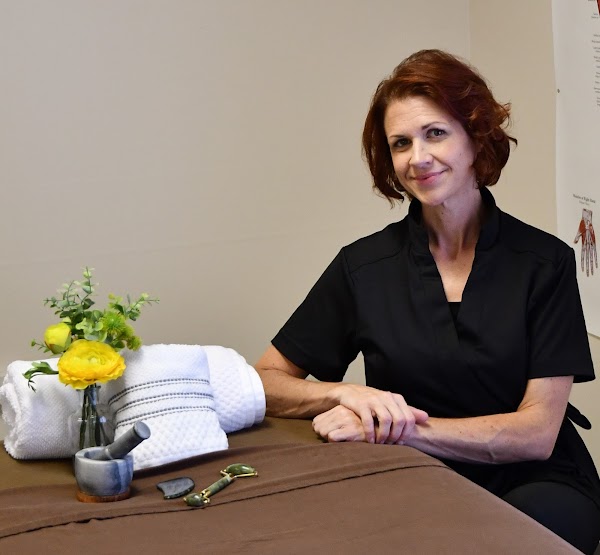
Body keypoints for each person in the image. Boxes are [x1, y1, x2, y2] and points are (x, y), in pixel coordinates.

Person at [255, 49, 600, 553]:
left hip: (536, 480)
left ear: (475, 137)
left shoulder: (544, 263)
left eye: (435, 133)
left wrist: (398, 429)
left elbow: (535, 434)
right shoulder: (363, 267)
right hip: (409, 475)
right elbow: (264, 382)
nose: (417, 157)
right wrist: (344, 395)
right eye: (401, 143)